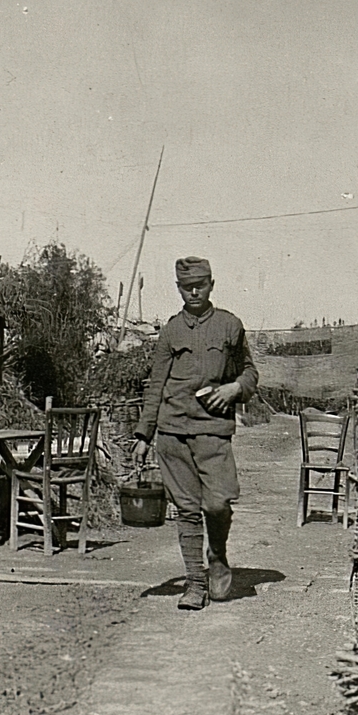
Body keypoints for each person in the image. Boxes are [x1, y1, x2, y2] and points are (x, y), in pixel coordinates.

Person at [132, 257, 259, 610]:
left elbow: (250, 373)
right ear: (178, 288)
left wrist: (235, 389)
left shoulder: (230, 326)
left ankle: (217, 554)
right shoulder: (171, 331)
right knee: (186, 509)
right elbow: (156, 384)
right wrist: (143, 435)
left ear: (212, 284)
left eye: (200, 285)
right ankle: (195, 583)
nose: (193, 291)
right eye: (186, 286)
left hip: (213, 432)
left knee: (218, 503)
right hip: (173, 432)